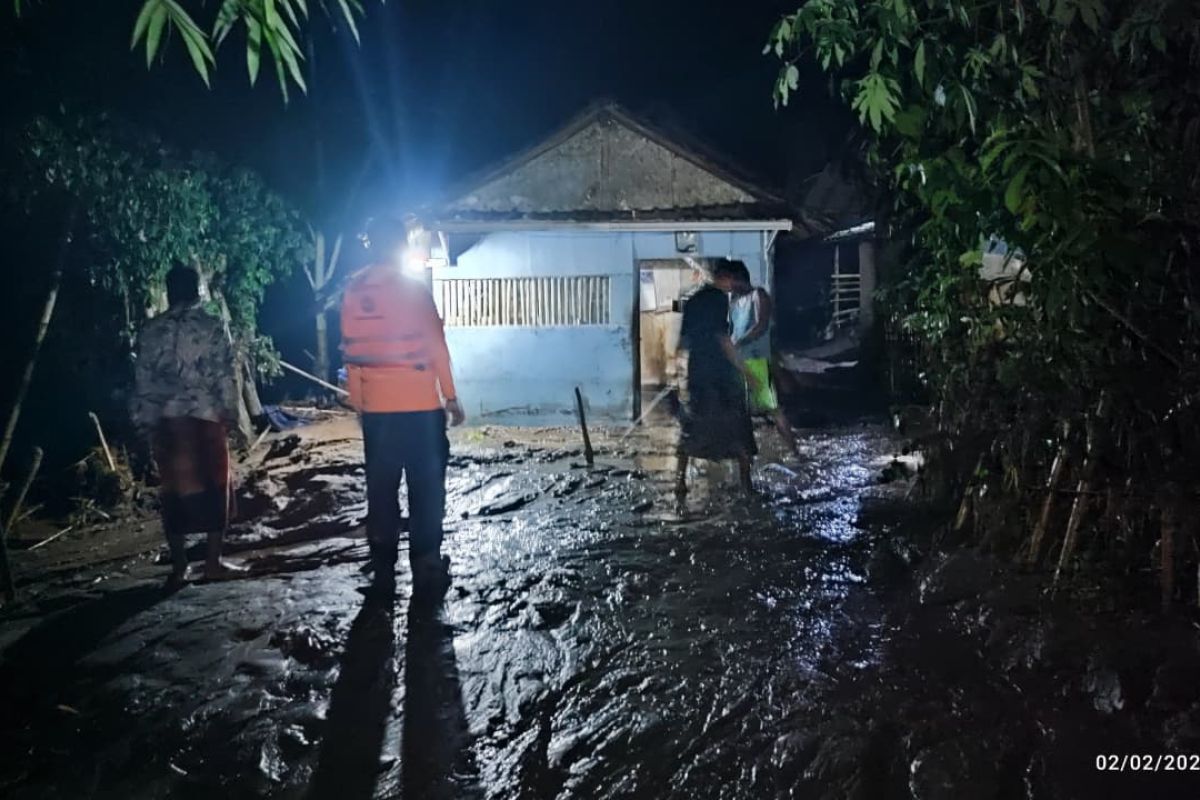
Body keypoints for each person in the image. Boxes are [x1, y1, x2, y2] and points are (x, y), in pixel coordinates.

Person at [341, 217, 465, 597]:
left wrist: (363, 407)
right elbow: (435, 346)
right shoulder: (413, 291)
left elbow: (352, 358)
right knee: (426, 490)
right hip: (420, 410)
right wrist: (450, 396)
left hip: (378, 414)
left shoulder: (352, 292)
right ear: (399, 246)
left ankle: (382, 567)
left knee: (381, 490)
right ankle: (426, 565)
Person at [131, 264, 243, 587]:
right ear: (197, 290)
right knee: (215, 487)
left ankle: (180, 568)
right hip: (205, 418)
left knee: (174, 491)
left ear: (169, 291)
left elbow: (143, 381)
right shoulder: (212, 326)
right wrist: (231, 414)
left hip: (167, 422)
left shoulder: (150, 331)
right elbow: (225, 373)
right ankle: (212, 562)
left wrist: (145, 422)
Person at [674, 258, 759, 503]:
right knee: (740, 433)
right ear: (728, 277)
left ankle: (679, 483)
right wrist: (746, 372)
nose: (735, 286)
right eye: (735, 281)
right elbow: (723, 339)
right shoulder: (719, 300)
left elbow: (682, 343)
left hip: (697, 376)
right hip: (720, 378)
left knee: (692, 429)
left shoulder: (692, 300)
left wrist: (678, 375)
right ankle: (747, 486)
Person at [729, 261, 799, 457]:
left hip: (757, 361)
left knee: (773, 409)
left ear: (737, 278)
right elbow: (732, 331)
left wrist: (738, 342)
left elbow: (761, 325)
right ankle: (744, 457)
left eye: (730, 279)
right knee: (739, 411)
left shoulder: (758, 295)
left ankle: (795, 452)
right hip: (739, 363)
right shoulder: (734, 302)